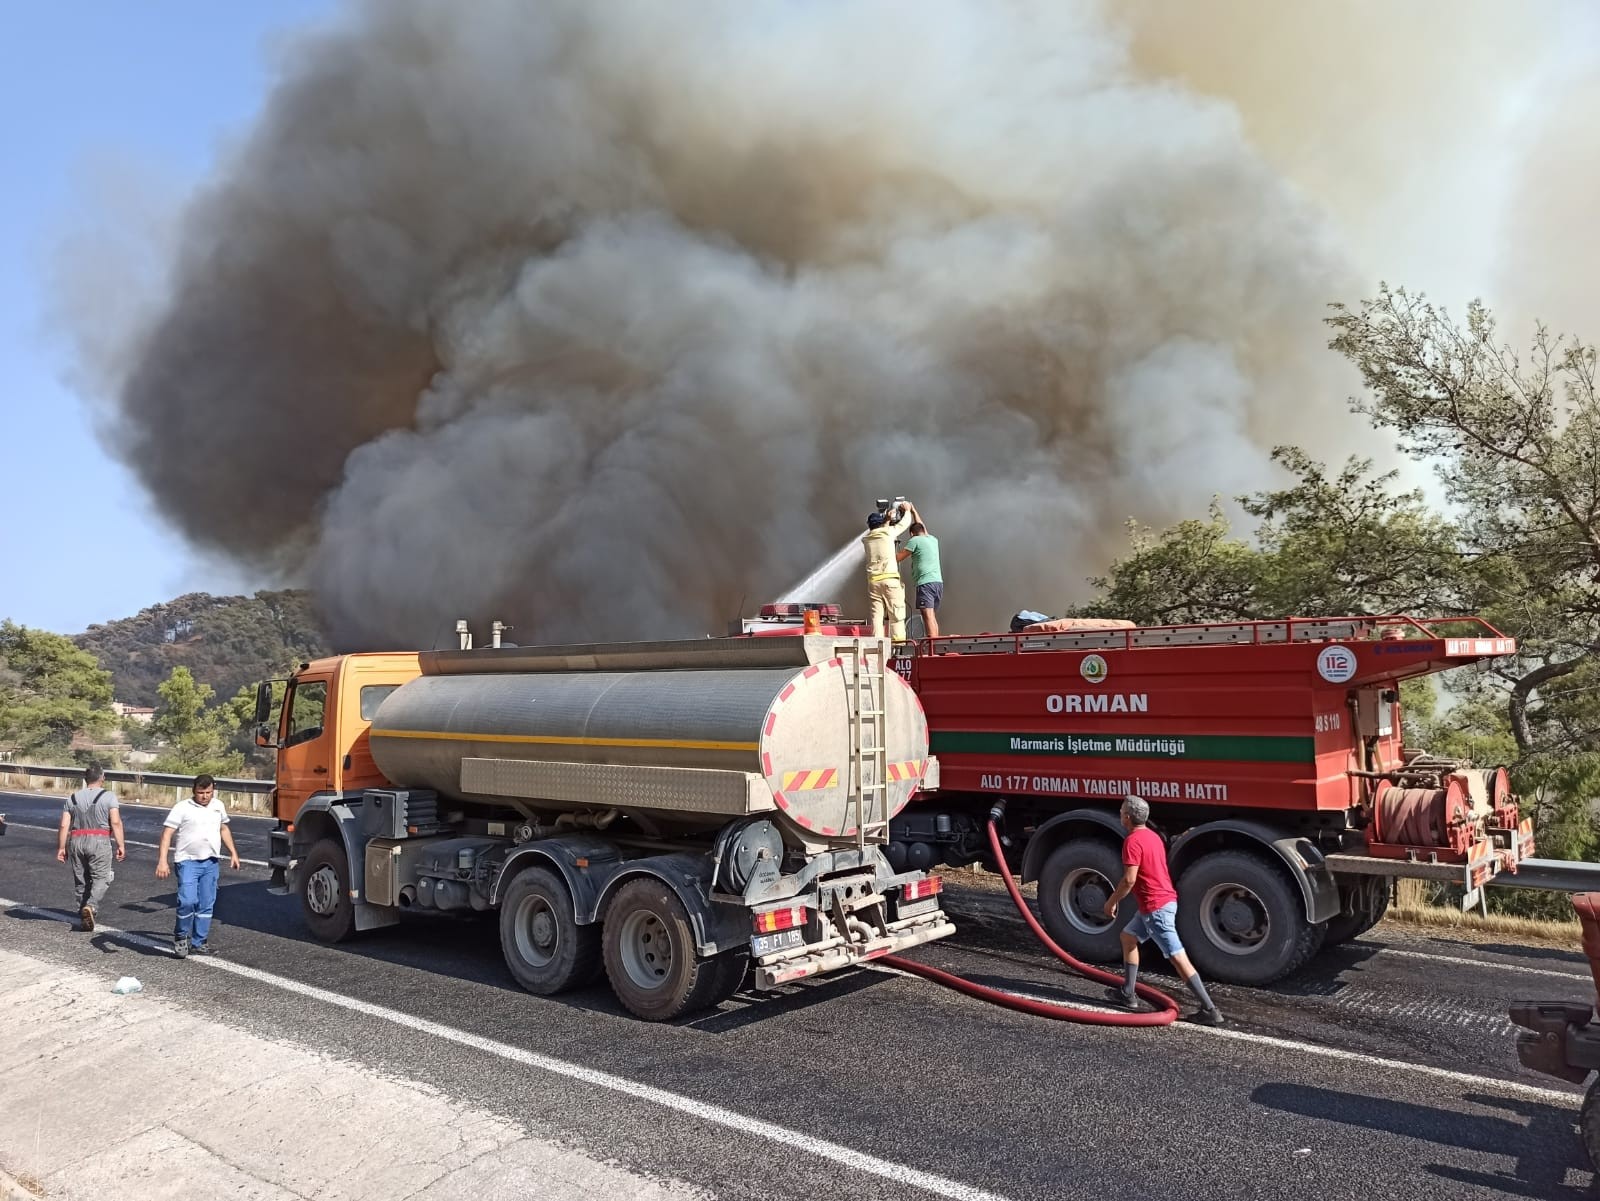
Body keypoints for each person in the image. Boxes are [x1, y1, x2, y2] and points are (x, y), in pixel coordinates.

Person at [1101, 795, 1224, 1026]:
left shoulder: (1132, 841)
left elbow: (1129, 880)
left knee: (1178, 957)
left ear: (1127, 817)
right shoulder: (1153, 836)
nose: (1120, 815)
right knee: (1128, 937)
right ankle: (1128, 993)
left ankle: (1210, 1009)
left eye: (1121, 812)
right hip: (1163, 902)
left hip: (1155, 909)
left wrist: (1111, 902)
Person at [155, 774, 241, 958]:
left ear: (213, 790)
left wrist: (233, 853)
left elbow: (223, 828)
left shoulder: (218, 806)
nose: (204, 796)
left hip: (210, 861)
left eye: (208, 792)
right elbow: (167, 834)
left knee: (206, 904)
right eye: (201, 792)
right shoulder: (182, 808)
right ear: (194, 791)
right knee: (187, 901)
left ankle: (199, 941)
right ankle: (181, 936)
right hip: (187, 862)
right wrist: (163, 860)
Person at [55, 763, 126, 931]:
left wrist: (61, 847)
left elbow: (64, 825)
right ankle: (91, 906)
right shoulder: (109, 797)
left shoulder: (72, 798)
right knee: (102, 877)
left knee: (81, 880)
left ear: (86, 779)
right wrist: (121, 844)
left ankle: (83, 913)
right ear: (102, 778)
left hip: (76, 840)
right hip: (99, 840)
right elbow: (115, 821)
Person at [861, 500, 916, 641]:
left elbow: (880, 530)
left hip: (873, 583)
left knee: (876, 617)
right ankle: (898, 648)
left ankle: (877, 647)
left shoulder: (867, 539)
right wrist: (908, 510)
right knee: (896, 615)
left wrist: (886, 520)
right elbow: (904, 523)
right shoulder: (888, 532)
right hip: (890, 581)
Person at [896, 514, 943, 638]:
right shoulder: (932, 539)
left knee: (927, 615)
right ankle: (936, 643)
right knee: (931, 615)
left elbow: (898, 558)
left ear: (911, 534)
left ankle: (932, 647)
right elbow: (922, 527)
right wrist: (913, 510)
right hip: (937, 583)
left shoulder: (914, 541)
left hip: (925, 583)